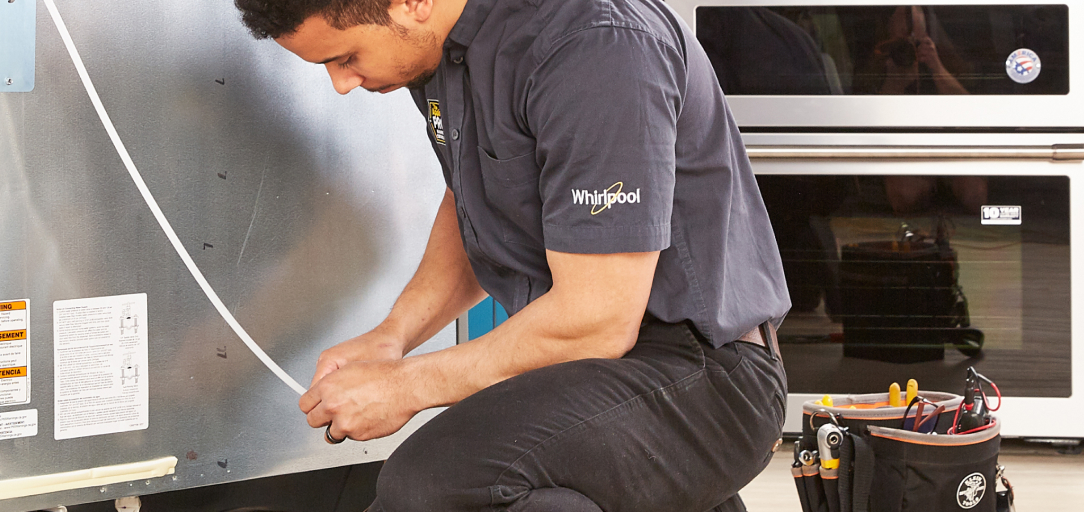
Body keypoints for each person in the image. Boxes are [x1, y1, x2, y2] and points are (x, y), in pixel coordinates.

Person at [233, 0, 790, 510]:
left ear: (412, 2)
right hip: (595, 373)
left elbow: (596, 322)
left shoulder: (595, 47)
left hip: (703, 375)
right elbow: (472, 200)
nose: (342, 84)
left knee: (436, 481)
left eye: (346, 57)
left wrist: (403, 386)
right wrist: (393, 337)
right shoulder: (443, 55)